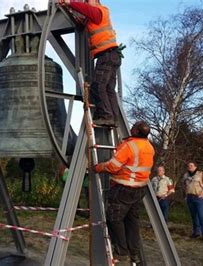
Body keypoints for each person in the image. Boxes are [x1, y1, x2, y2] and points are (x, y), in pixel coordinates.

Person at [94, 121, 154, 263]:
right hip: (140, 188)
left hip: (125, 187)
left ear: (136, 131)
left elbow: (113, 167)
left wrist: (99, 167)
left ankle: (121, 251)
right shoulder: (149, 147)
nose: (131, 128)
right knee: (132, 220)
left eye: (134, 127)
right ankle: (134, 252)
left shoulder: (129, 146)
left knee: (114, 218)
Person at [59, 0, 122, 126]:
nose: (86, 2)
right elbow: (81, 22)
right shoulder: (92, 18)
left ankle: (106, 116)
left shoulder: (100, 11)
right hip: (112, 56)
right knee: (109, 89)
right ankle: (114, 118)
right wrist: (68, 9)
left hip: (107, 55)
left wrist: (69, 2)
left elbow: (87, 10)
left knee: (97, 86)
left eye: (88, 0)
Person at [181, 161, 203, 241]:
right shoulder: (185, 175)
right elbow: (183, 184)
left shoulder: (201, 174)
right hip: (189, 197)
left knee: (200, 216)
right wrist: (185, 194)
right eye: (188, 166)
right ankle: (196, 233)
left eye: (191, 165)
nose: (190, 167)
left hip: (198, 198)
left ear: (195, 167)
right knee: (194, 216)